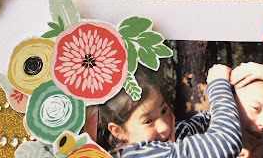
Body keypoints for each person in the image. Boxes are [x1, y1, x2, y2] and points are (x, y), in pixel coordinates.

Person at [98, 65, 242, 158]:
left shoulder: (170, 134)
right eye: (148, 121)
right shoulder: (136, 154)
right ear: (118, 132)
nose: (164, 126)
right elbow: (226, 142)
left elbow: (202, 121)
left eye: (164, 110)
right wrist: (218, 84)